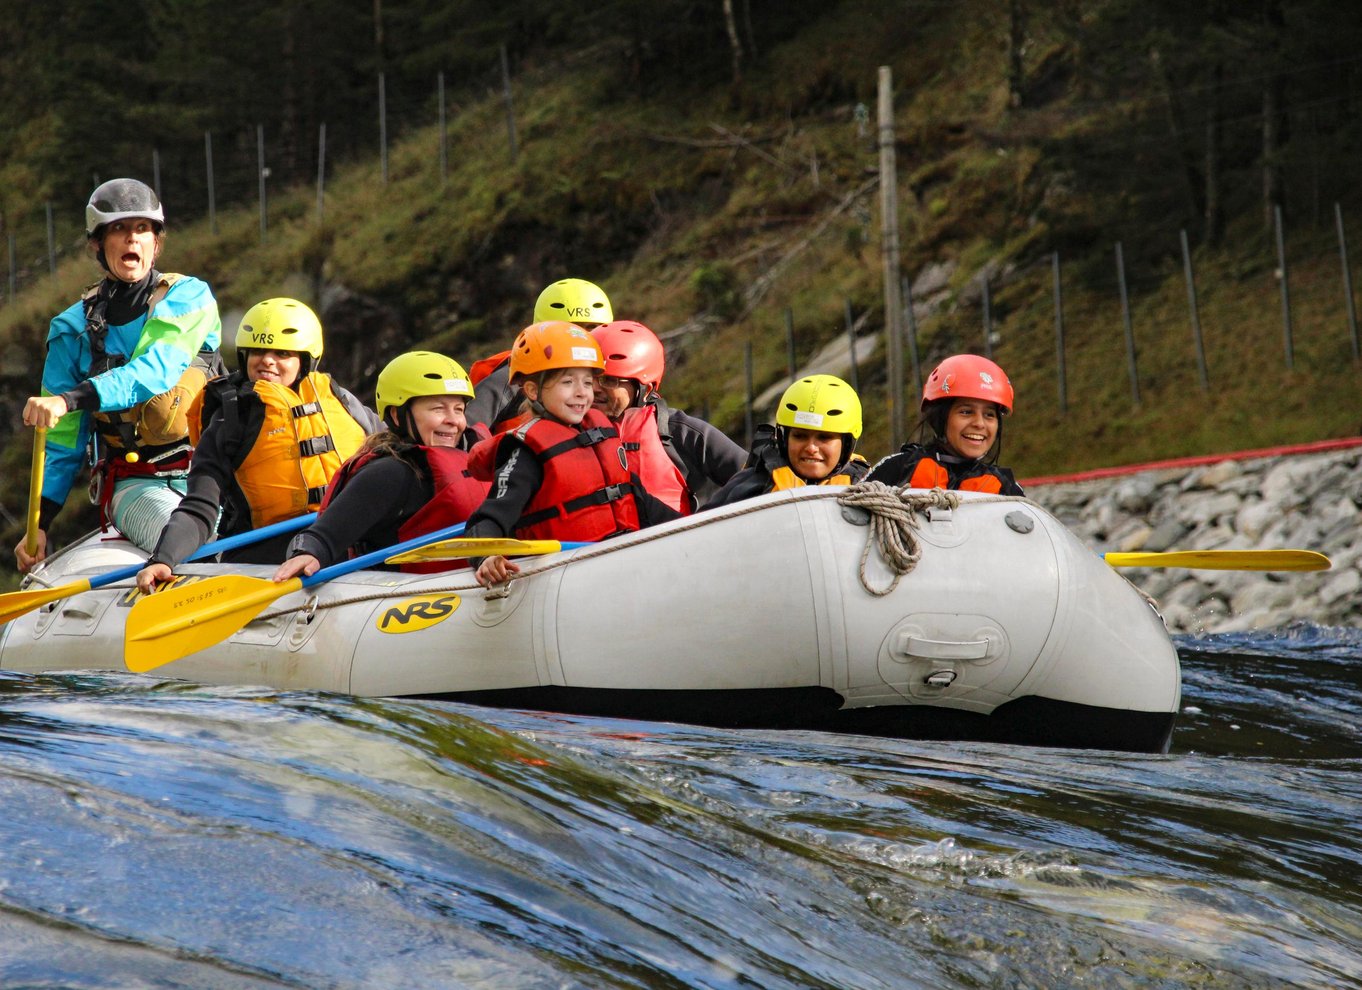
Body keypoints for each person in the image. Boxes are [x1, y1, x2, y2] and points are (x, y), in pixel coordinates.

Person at [14, 178, 222, 571]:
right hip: (135, 483)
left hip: (212, 472)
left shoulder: (190, 297)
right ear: (97, 243)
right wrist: (38, 525)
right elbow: (61, 442)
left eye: (143, 229)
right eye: (119, 229)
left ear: (156, 243)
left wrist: (69, 399)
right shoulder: (70, 329)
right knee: (189, 542)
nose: (133, 239)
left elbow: (155, 370)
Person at [134, 299, 379, 590]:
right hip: (268, 552)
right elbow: (199, 507)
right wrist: (163, 559)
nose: (267, 360)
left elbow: (389, 459)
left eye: (282, 353)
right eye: (258, 351)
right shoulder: (231, 419)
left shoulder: (341, 401)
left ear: (306, 360)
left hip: (343, 538)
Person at [462, 321, 682, 587]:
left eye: (588, 383)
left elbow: (638, 499)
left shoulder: (602, 432)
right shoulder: (527, 452)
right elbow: (487, 520)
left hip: (620, 564)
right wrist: (487, 557)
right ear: (532, 390)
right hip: (565, 581)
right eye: (567, 382)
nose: (582, 393)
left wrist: (692, 529)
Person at [271, 351, 489, 580]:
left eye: (459, 409)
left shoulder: (476, 458)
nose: (453, 421)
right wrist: (308, 552)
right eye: (438, 409)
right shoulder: (390, 472)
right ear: (397, 415)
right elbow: (324, 536)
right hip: (405, 598)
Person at [590, 320, 745, 513]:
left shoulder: (680, 432)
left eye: (609, 380)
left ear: (645, 389)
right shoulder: (564, 432)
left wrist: (705, 520)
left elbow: (756, 478)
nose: (595, 388)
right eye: (589, 378)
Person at [464, 277, 613, 438]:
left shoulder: (617, 378)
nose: (581, 337)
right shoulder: (513, 376)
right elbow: (466, 431)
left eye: (592, 329)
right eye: (569, 328)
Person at [865, 354, 1024, 495]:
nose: (979, 424)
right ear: (939, 418)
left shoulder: (1005, 488)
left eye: (989, 415)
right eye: (966, 412)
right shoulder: (900, 467)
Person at [706, 374, 868, 507]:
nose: (811, 447)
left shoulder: (868, 489)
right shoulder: (747, 488)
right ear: (784, 439)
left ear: (847, 444)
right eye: (800, 436)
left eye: (824, 437)